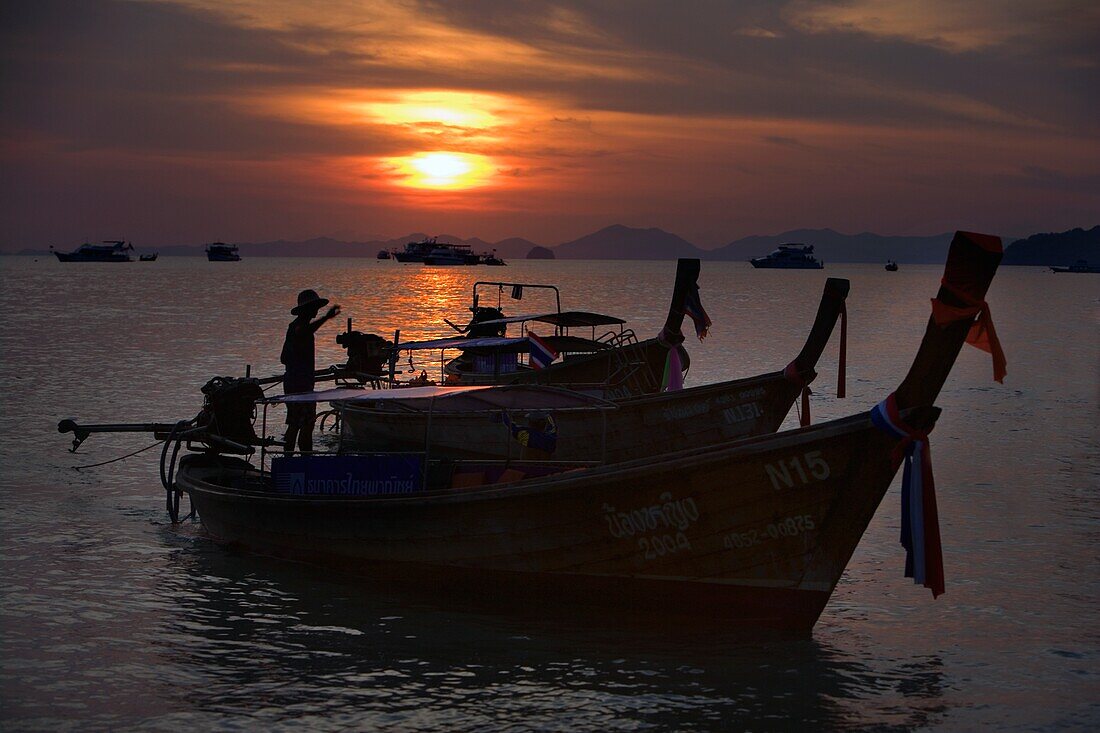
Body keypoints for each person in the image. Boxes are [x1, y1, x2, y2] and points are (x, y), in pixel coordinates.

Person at [281, 289, 340, 454]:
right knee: (305, 425)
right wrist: (326, 318)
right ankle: (303, 461)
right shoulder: (298, 328)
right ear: (306, 309)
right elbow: (303, 333)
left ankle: (291, 460)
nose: (316, 311)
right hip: (300, 385)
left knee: (295, 424)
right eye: (314, 308)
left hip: (295, 383)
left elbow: (284, 358)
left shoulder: (294, 329)